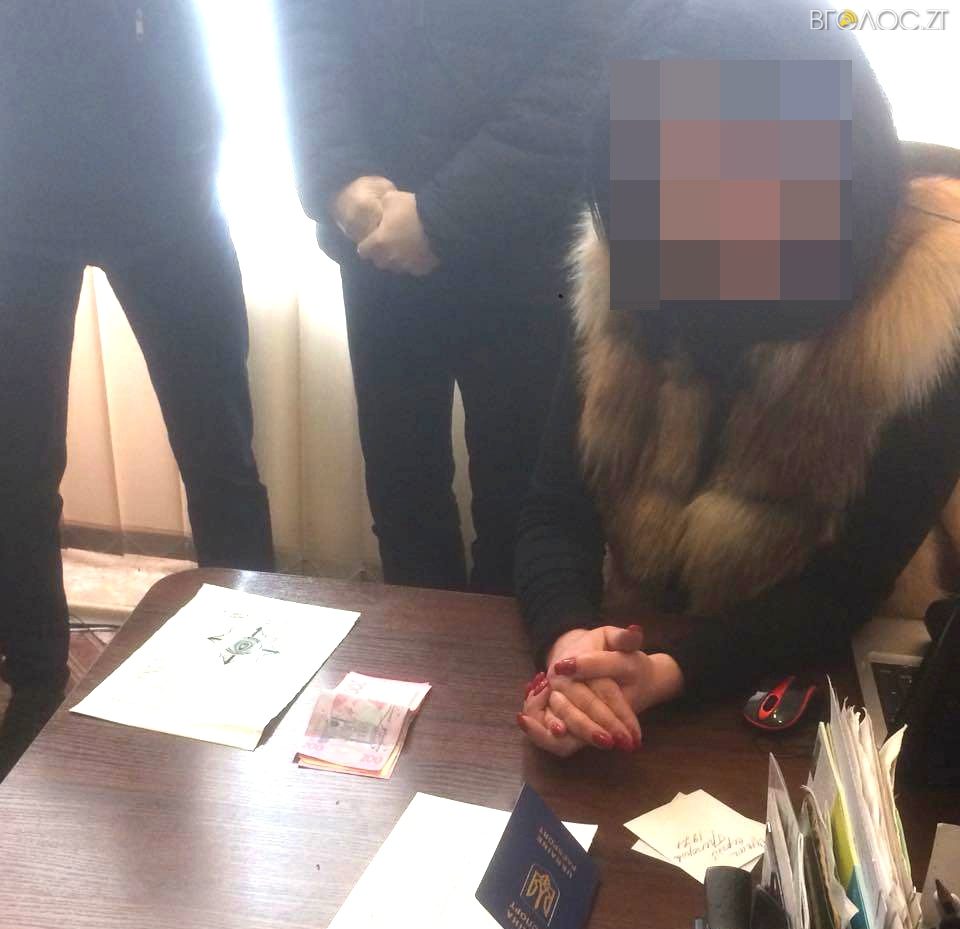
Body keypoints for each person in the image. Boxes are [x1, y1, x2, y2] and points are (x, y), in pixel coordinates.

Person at [515, 0, 960, 756]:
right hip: (639, 657)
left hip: (820, 682)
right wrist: (572, 649)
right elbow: (554, 509)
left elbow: (845, 587)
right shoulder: (623, 260)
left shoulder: (922, 311)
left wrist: (669, 672)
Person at [0, 0, 275, 777]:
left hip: (167, 188)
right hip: (18, 194)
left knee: (219, 452)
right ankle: (37, 680)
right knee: (16, 465)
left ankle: (260, 658)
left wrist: (198, 152)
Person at [274, 0, 601, 594]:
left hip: (523, 244)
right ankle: (421, 651)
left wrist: (443, 214)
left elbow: (592, 55)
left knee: (524, 511)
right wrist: (337, 177)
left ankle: (499, 658)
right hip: (376, 233)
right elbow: (308, 27)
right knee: (403, 496)